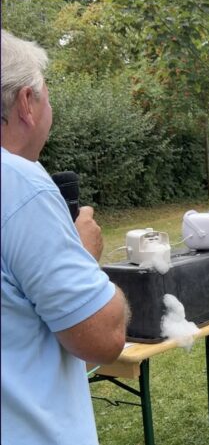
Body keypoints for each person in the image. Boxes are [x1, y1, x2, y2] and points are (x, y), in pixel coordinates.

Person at [1, 29, 129, 445]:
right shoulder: (19, 185)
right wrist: (83, 253)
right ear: (27, 103)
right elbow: (102, 338)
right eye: (48, 98)